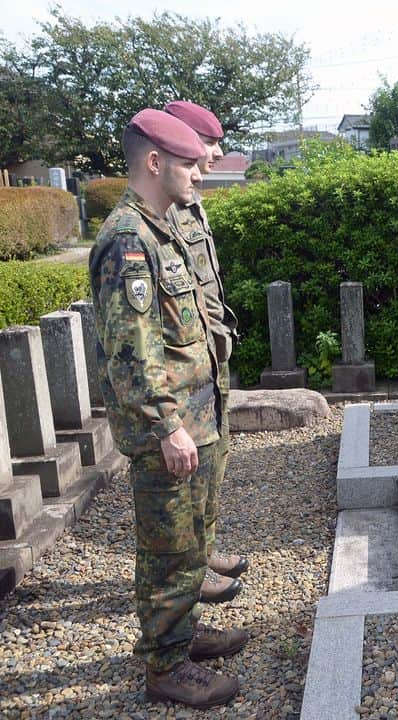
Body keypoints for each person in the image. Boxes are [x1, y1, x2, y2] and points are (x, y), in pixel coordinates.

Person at [89, 108, 247, 709]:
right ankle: (164, 667)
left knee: (187, 546)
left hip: (193, 416)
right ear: (156, 162)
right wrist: (167, 426)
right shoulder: (129, 241)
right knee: (168, 552)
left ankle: (182, 639)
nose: (197, 174)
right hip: (171, 429)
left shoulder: (161, 228)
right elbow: (131, 351)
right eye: (187, 162)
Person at [162, 100, 247, 604]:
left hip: (210, 359)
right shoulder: (161, 207)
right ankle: (188, 570)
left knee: (215, 465)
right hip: (185, 371)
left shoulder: (190, 201)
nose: (213, 154)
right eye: (207, 144)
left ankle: (204, 549)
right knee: (186, 487)